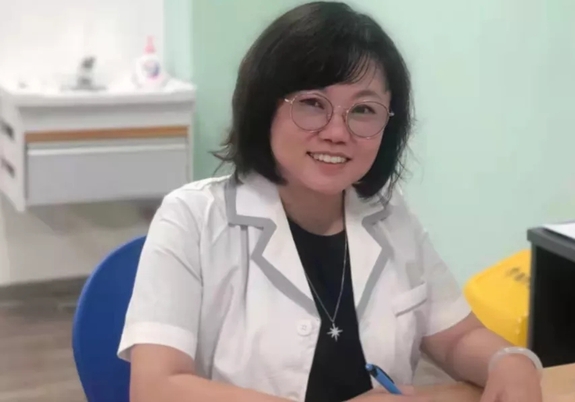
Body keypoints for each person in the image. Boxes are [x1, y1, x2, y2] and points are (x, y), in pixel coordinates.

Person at [117, 2, 543, 401]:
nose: (337, 132)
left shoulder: (389, 213)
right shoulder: (192, 218)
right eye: (311, 104)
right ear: (263, 108)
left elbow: (457, 336)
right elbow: (157, 387)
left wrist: (509, 361)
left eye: (363, 110)